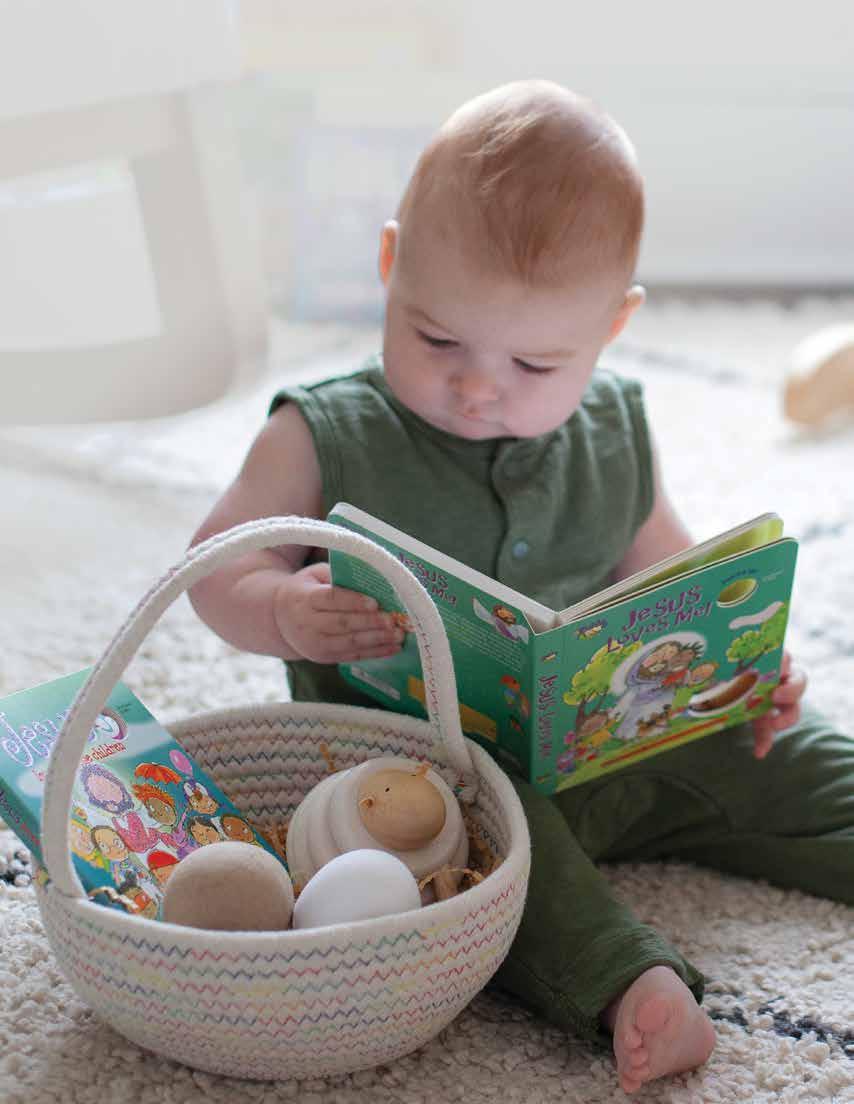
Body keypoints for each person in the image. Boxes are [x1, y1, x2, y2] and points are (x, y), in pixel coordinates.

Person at [187, 81, 852, 1094]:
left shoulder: (615, 430)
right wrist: (281, 609)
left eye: (537, 363)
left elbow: (678, 585)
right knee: (487, 874)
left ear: (612, 327)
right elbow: (213, 566)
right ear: (390, 265)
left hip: (621, 743)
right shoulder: (320, 432)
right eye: (436, 339)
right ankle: (628, 985)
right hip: (438, 782)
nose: (476, 386)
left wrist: (747, 670)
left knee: (791, 754)